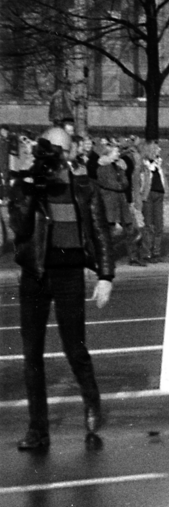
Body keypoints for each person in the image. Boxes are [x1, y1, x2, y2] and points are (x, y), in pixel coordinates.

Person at [9, 127, 115, 451]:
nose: (51, 157)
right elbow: (20, 228)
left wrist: (106, 276)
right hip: (35, 275)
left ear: (69, 154)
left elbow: (99, 232)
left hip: (70, 275)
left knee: (75, 348)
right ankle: (37, 429)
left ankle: (92, 404)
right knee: (32, 356)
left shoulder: (84, 188)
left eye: (58, 150)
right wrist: (30, 189)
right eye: (47, 150)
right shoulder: (25, 185)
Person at [97, 142, 145, 266]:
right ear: (108, 153)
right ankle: (107, 259)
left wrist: (120, 184)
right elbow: (112, 184)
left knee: (131, 230)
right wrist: (120, 184)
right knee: (110, 233)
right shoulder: (102, 169)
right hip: (110, 204)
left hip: (121, 202)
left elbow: (125, 183)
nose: (118, 153)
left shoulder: (118, 166)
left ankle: (133, 257)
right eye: (115, 152)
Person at [140, 141, 167, 263]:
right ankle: (147, 252)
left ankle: (156, 251)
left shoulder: (158, 165)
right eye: (157, 150)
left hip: (159, 194)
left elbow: (162, 179)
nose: (159, 151)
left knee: (159, 224)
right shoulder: (144, 165)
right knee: (149, 224)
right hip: (149, 195)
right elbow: (141, 181)